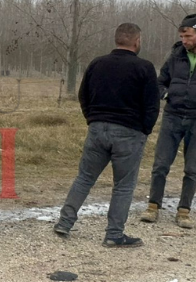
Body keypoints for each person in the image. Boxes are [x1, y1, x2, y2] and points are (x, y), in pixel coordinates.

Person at [54, 23, 159, 247]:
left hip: (98, 129)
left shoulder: (97, 63)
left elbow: (83, 95)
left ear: (117, 39)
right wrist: (144, 131)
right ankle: (114, 235)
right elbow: (152, 105)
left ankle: (64, 222)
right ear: (137, 41)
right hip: (129, 132)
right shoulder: (145, 68)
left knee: (84, 178)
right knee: (123, 185)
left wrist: (92, 119)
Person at [140, 13, 196, 229]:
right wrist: (165, 94)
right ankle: (153, 207)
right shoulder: (175, 56)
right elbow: (160, 82)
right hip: (172, 116)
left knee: (192, 169)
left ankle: (184, 211)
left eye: (188, 35)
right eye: (182, 36)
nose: (184, 40)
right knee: (161, 164)